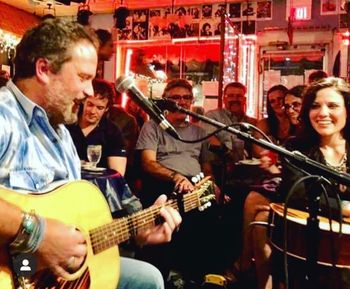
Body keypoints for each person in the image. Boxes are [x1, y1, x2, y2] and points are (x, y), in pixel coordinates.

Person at [0, 18, 181, 289]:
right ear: (44, 69)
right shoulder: (5, 116)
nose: (88, 92)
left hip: (51, 277)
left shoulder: (60, 132)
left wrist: (137, 231)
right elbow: (48, 237)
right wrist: (38, 234)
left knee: (147, 279)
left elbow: (76, 230)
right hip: (15, 272)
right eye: (83, 77)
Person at [135, 79, 220, 285]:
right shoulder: (152, 126)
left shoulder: (199, 132)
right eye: (175, 98)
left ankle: (195, 275)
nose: (181, 102)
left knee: (214, 213)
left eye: (186, 98)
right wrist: (176, 177)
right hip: (164, 183)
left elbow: (207, 168)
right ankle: (167, 275)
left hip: (195, 185)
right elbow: (148, 163)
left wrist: (212, 185)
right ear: (166, 101)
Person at [273, 77, 350, 289]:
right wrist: (344, 207)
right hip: (309, 244)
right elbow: (299, 196)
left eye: (333, 105)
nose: (322, 113)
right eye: (315, 106)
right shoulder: (296, 148)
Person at [67, 78, 127, 175]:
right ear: (83, 101)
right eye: (90, 104)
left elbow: (117, 175)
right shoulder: (67, 124)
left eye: (99, 108)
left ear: (106, 109)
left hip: (97, 186)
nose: (93, 111)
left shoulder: (112, 132)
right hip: (65, 185)